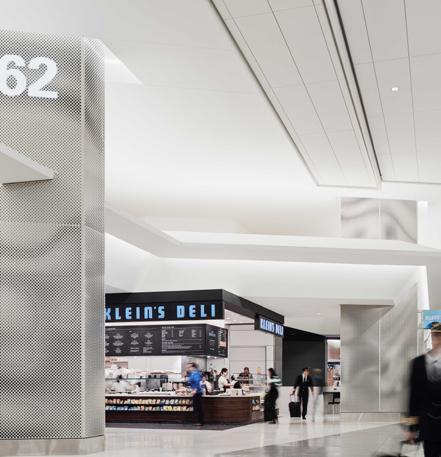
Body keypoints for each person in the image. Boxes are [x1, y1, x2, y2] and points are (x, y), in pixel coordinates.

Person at [407, 322, 441, 456]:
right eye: (436, 336)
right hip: (428, 426)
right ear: (431, 337)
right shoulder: (418, 363)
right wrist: (411, 428)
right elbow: (413, 397)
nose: (438, 340)